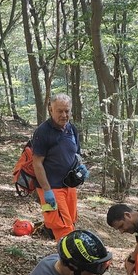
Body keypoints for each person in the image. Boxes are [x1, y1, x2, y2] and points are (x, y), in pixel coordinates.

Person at [31, 93, 89, 240]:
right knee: (62, 227)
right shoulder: (43, 132)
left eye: (67, 111)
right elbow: (37, 163)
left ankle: (66, 260)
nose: (64, 115)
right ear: (51, 110)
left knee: (71, 222)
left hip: (69, 186)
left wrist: (81, 167)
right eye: (60, 111)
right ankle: (69, 260)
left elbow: (76, 155)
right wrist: (46, 191)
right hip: (51, 188)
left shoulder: (72, 130)